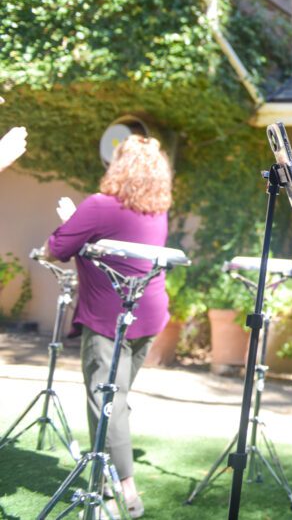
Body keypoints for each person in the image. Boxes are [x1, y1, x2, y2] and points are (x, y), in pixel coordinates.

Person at [44, 135, 174, 518]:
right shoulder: (157, 212)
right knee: (115, 400)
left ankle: (125, 491)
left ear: (119, 168)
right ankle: (103, 480)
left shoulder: (100, 206)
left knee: (106, 402)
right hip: (149, 317)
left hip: (109, 320)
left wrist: (71, 220)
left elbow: (56, 249)